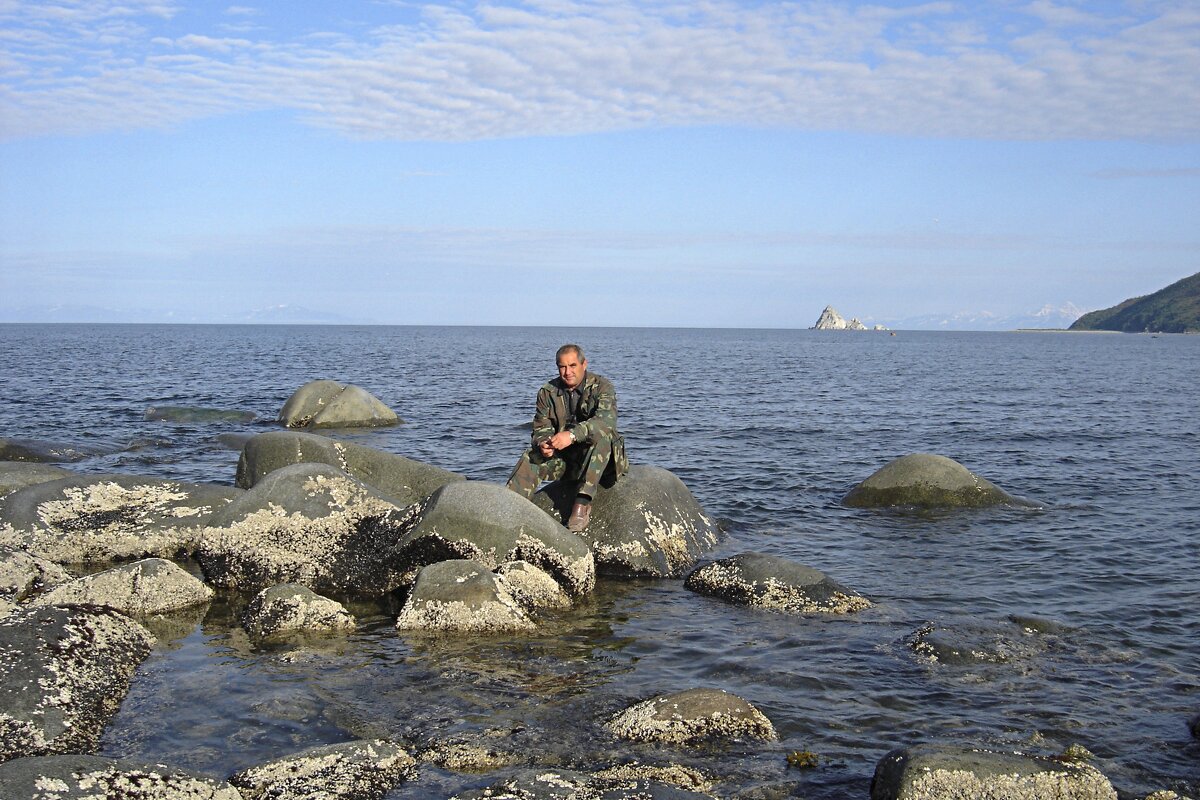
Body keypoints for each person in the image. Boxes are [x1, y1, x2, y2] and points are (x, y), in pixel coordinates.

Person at [506, 343, 627, 531]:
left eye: (572, 366)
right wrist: (543, 443)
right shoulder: (547, 392)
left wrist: (571, 435)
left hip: (601, 462)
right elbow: (540, 427)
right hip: (566, 461)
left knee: (603, 437)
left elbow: (605, 422)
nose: (567, 372)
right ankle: (508, 507)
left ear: (584, 364)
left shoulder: (603, 387)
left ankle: (582, 505)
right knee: (531, 456)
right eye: (562, 366)